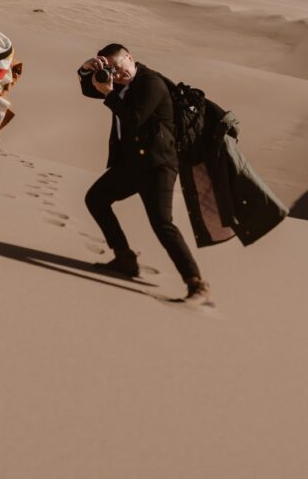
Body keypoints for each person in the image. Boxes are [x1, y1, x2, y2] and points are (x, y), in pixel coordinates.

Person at [78, 43, 213, 305]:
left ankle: (197, 283)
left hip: (157, 166)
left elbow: (134, 119)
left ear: (130, 58)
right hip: (132, 165)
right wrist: (86, 70)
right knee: (96, 199)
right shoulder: (118, 82)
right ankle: (125, 258)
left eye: (118, 68)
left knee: (163, 224)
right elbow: (89, 90)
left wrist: (109, 94)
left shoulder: (151, 84)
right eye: (110, 70)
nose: (115, 75)